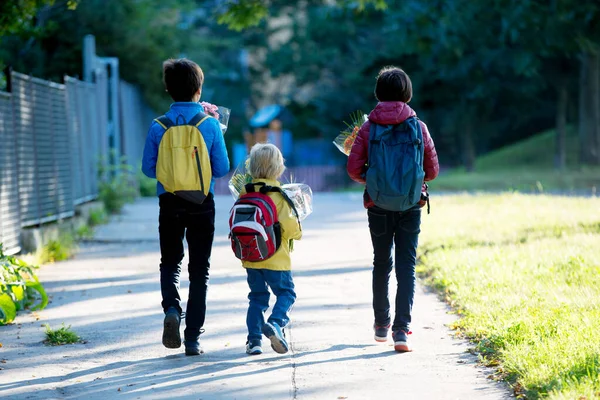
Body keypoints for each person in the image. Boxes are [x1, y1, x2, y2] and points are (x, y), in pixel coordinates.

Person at [347, 66, 439, 352]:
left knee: (381, 263)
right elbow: (432, 171)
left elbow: (352, 168)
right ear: (407, 93)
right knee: (406, 267)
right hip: (411, 204)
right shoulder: (418, 126)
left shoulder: (368, 127)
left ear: (379, 93)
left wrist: (373, 181)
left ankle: (380, 325)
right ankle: (401, 331)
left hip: (377, 205)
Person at [141, 58, 230, 356]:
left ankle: (171, 309)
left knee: (170, 262)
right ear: (199, 88)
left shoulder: (158, 126)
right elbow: (221, 168)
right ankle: (192, 338)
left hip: (169, 202)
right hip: (202, 203)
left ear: (168, 89)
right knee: (199, 270)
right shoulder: (210, 124)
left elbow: (148, 169)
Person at [239, 143, 302, 356]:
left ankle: (254, 341)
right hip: (276, 258)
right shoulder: (279, 195)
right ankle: (276, 323)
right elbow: (291, 228)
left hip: (251, 256)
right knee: (286, 293)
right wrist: (298, 232)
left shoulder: (244, 192)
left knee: (257, 297)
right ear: (278, 167)